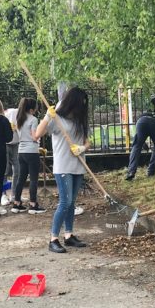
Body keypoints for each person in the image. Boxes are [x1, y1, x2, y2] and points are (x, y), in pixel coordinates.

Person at [36, 87, 90, 253]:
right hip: (63, 166)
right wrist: (47, 117)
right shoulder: (56, 118)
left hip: (78, 165)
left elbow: (88, 141)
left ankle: (68, 235)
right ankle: (53, 239)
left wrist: (81, 148)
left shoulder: (79, 120)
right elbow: (37, 134)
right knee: (65, 202)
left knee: (72, 203)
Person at [11, 98, 47, 215]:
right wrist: (43, 128)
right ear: (32, 109)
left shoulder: (19, 119)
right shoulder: (33, 119)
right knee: (33, 179)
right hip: (32, 151)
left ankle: (16, 203)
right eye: (35, 107)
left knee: (21, 178)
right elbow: (35, 137)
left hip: (21, 151)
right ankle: (33, 204)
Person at [125, 112, 155, 180]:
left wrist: (143, 143)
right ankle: (151, 171)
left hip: (141, 122)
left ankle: (131, 172)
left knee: (137, 146)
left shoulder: (150, 114)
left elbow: (138, 129)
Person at [1, 108, 20, 206]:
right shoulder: (8, 113)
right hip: (5, 144)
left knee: (17, 169)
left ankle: (14, 194)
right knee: (5, 169)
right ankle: (3, 195)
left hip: (16, 143)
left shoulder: (22, 114)